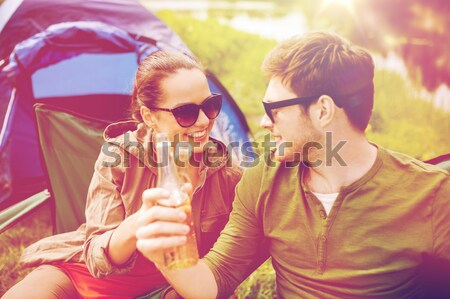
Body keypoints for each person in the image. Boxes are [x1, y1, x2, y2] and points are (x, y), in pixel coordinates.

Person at [135, 32, 450, 299]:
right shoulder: (263, 181)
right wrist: (169, 255)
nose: (264, 121)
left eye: (273, 109)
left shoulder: (433, 197)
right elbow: (213, 281)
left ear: (322, 110)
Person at [3, 51, 254, 299]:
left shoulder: (226, 172)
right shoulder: (119, 156)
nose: (203, 121)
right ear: (149, 116)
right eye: (186, 112)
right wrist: (139, 222)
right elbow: (95, 257)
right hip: (85, 279)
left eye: (210, 105)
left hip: (171, 285)